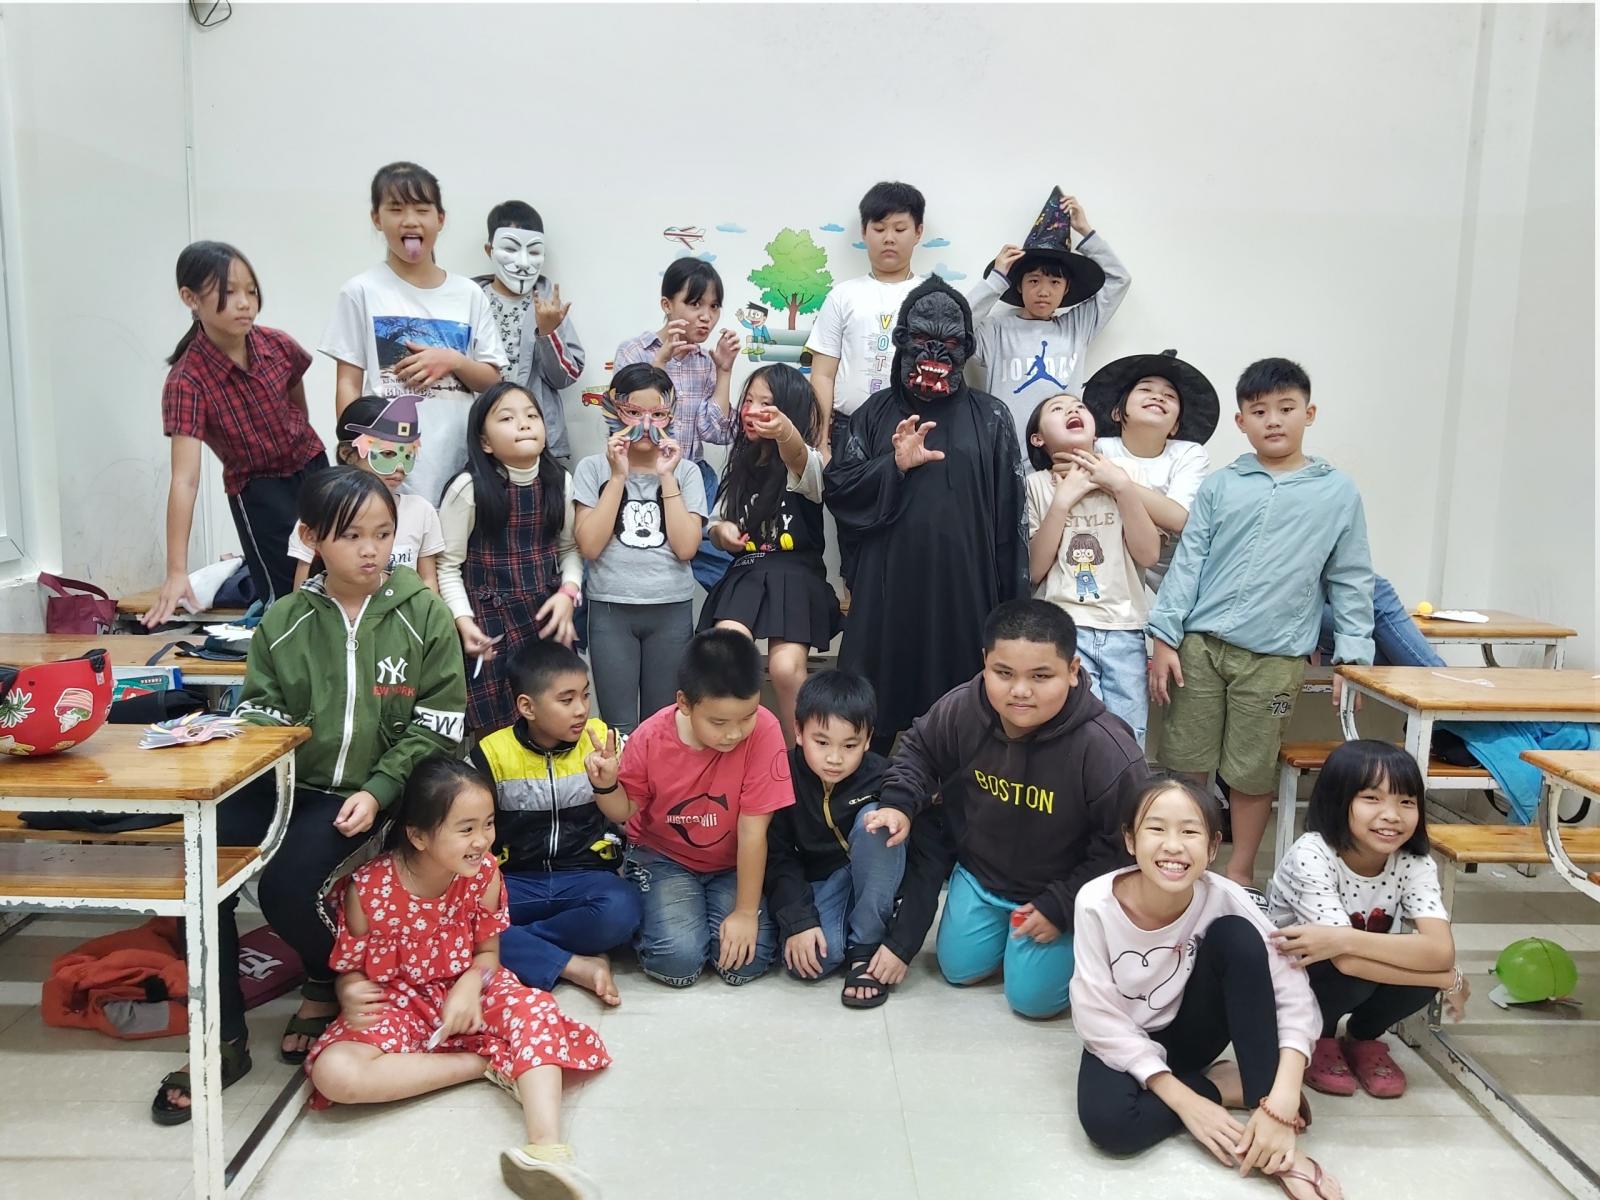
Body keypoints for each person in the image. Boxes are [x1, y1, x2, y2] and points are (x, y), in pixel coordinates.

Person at [150, 467, 466, 1124]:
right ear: (311, 537)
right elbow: (262, 708)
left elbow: (439, 724)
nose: (372, 550)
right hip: (286, 780)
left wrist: (380, 789)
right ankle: (220, 1041)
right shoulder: (287, 620)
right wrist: (234, 732)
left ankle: (333, 978)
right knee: (199, 865)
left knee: (287, 888)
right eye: (352, 536)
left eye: (383, 533)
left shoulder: (423, 614)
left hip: (374, 789)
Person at [305, 756, 609, 1200]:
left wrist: (469, 984)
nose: (482, 840)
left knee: (537, 1009)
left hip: (471, 985)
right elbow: (350, 965)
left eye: (488, 824)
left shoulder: (485, 874)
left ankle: (545, 1150)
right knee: (335, 1073)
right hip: (399, 1000)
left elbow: (488, 954)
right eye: (466, 829)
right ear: (418, 835)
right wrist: (349, 988)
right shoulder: (368, 888)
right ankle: (486, 1064)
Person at [1147, 358, 1374, 897]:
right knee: (1186, 764)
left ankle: (1240, 873)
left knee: (1251, 772)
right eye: (1259, 411)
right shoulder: (1222, 485)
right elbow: (1188, 562)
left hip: (1274, 658)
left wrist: (1352, 658)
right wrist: (1164, 637)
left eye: (1286, 408)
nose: (1273, 420)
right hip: (1200, 648)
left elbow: (1350, 577)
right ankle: (1185, 865)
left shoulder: (1337, 492)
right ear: (1241, 421)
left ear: (1308, 414)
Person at [862, 600, 1146, 1019]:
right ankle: (1002, 931)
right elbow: (919, 750)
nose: (1020, 691)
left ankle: (1086, 941)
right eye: (1004, 673)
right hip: (982, 876)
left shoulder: (1106, 748)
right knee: (958, 970)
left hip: (1058, 887)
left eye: (1041, 676)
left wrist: (1061, 905)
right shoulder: (963, 707)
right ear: (985, 663)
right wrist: (899, 803)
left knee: (1032, 1002)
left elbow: (1125, 846)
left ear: (1073, 670)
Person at [1071, 777, 1342, 1200]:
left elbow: (1292, 993)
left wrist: (1282, 1102)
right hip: (1123, 1036)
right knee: (1111, 1126)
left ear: (1214, 847)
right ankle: (1222, 1085)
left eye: (1190, 831)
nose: (1173, 846)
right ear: (1130, 840)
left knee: (1237, 937)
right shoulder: (1095, 903)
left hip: (1192, 1031)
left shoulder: (1227, 897)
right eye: (1156, 829)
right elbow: (1096, 1016)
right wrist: (1189, 1100)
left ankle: (1270, 1132)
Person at [825, 275, 1029, 753]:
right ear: (901, 340)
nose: (934, 352)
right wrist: (892, 466)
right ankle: (867, 794)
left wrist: (1012, 616)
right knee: (870, 718)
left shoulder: (993, 418)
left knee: (964, 725)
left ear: (967, 349)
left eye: (950, 342)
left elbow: (1011, 521)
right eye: (921, 338)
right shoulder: (873, 413)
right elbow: (840, 490)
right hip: (885, 592)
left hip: (966, 592)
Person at [1267, 740, 1467, 1098]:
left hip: (1348, 958)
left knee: (1415, 966)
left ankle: (1362, 1039)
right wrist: (1444, 978)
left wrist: (1344, 939)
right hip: (1292, 979)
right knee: (1358, 972)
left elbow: (1441, 950)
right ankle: (1317, 1036)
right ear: (1338, 801)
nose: (1392, 815)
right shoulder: (1312, 854)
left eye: (1406, 802)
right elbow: (1346, 963)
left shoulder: (1414, 861)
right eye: (1372, 798)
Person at [145, 241, 326, 623]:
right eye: (229, 292)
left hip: (313, 467)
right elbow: (185, 480)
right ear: (190, 298)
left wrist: (298, 445)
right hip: (259, 492)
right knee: (287, 595)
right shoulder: (187, 380)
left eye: (251, 291)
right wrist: (176, 571)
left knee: (335, 570)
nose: (245, 303)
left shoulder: (278, 344)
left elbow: (299, 407)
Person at [320, 161, 506, 505]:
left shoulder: (468, 294)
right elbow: (348, 383)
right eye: (395, 209)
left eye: (421, 209)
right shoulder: (360, 291)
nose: (409, 220)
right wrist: (356, 459)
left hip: (461, 468)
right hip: (388, 469)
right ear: (376, 218)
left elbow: (492, 380)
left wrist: (453, 360)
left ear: (440, 218)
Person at [470, 640, 642, 1008]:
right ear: (527, 707)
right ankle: (575, 965)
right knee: (465, 919)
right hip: (514, 882)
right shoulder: (491, 753)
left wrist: (608, 782)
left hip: (586, 879)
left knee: (623, 909)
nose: (581, 709)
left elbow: (628, 814)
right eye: (566, 700)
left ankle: (516, 944)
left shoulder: (604, 742)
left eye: (585, 695)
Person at [618, 630, 794, 987]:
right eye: (719, 722)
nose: (734, 733)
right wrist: (605, 785)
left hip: (733, 863)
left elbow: (753, 831)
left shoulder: (765, 729)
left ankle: (707, 915)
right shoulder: (650, 737)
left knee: (747, 961)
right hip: (664, 857)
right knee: (677, 962)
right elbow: (624, 812)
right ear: (684, 703)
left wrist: (746, 913)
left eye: (746, 717)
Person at [701, 364, 840, 742]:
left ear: (789, 411)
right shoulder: (739, 466)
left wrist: (785, 432)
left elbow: (797, 454)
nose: (752, 410)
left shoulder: (808, 462)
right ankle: (738, 750)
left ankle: (800, 757)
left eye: (766, 403)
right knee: (726, 653)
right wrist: (722, 533)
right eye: (748, 401)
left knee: (785, 668)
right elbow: (717, 524)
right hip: (746, 572)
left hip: (795, 574)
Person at [437, 381, 581, 735]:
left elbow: (569, 550)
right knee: (497, 727)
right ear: (485, 442)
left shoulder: (559, 481)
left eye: (532, 415)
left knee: (551, 717)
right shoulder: (468, 487)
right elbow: (447, 566)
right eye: (507, 418)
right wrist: (463, 622)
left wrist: (568, 594)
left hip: (545, 615)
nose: (524, 424)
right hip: (488, 622)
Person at [572, 364, 708, 733]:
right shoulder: (593, 469)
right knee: (618, 726)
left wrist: (667, 475)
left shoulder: (687, 472)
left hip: (671, 608)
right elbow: (589, 546)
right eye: (634, 412)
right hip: (611, 608)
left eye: (658, 414)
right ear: (614, 411)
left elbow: (686, 548)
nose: (646, 425)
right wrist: (618, 475)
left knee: (662, 724)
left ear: (671, 415)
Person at [1024, 393, 1160, 744]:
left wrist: (1120, 487)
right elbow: (1034, 570)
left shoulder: (1127, 474)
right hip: (1064, 627)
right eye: (1057, 408)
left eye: (1079, 406)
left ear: (1095, 432)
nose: (1072, 409)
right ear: (1038, 439)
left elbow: (1149, 554)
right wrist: (1062, 501)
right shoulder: (1034, 485)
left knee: (1128, 737)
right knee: (1077, 736)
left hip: (1125, 627)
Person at [765, 671, 902, 1007]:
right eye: (822, 742)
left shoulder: (885, 776)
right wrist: (800, 920)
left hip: (874, 874)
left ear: (868, 739)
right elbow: (777, 855)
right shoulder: (782, 775)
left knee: (879, 821)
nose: (835, 758)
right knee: (812, 962)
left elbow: (924, 850)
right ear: (798, 731)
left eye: (850, 745)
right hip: (823, 880)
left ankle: (866, 945)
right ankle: (856, 917)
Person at [613, 257, 741, 590]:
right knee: (616, 559)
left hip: (692, 475)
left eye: (714, 306)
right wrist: (660, 363)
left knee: (730, 571)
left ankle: (729, 622)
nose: (706, 316)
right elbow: (624, 423)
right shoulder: (633, 351)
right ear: (666, 305)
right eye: (695, 304)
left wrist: (724, 371)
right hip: (639, 478)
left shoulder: (705, 362)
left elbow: (716, 432)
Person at [967, 188, 1131, 446]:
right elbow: (954, 326)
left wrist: (1086, 232)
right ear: (1018, 285)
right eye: (1033, 281)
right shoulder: (997, 330)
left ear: (1066, 288)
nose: (1043, 292)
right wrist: (996, 279)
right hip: (1004, 451)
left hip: (1062, 453)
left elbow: (1119, 280)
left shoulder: (1076, 327)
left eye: (1055, 282)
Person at [806, 180, 926, 459]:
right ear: (864, 231)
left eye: (900, 229)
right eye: (879, 229)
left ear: (918, 232)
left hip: (911, 429)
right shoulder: (842, 295)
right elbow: (822, 375)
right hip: (848, 428)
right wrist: (821, 444)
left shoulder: (930, 296)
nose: (889, 238)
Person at [287, 394, 444, 592]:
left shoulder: (421, 511)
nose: (399, 467)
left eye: (407, 455)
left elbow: (428, 580)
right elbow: (303, 590)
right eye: (387, 454)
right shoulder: (322, 511)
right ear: (348, 454)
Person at [473, 199, 585, 471]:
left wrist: (548, 333)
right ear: (490, 250)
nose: (523, 262)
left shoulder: (548, 306)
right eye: (510, 249)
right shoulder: (470, 301)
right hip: (481, 439)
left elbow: (566, 376)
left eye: (533, 252)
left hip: (537, 442)